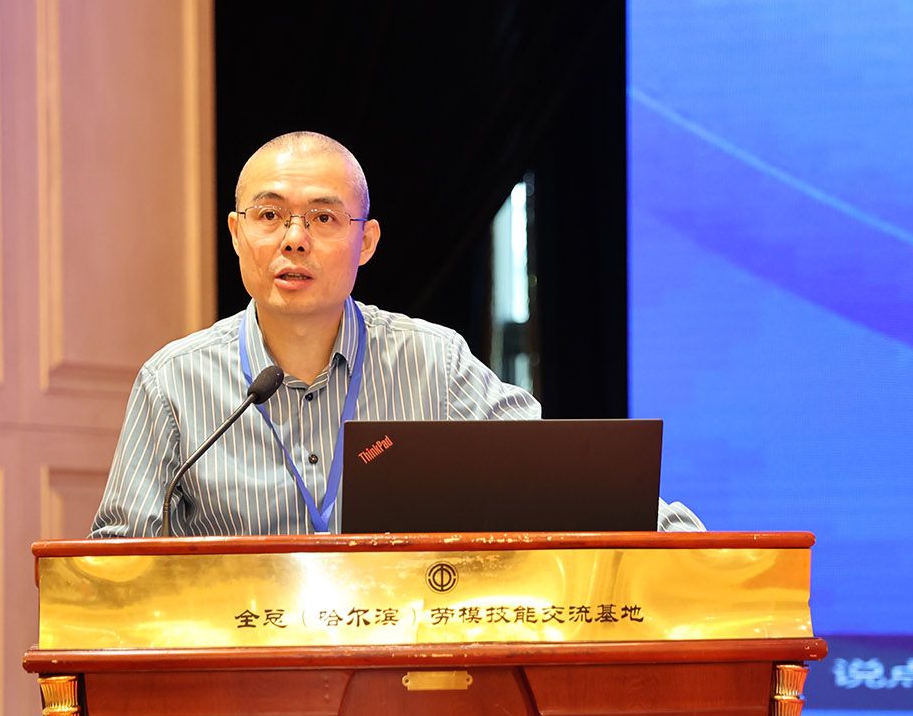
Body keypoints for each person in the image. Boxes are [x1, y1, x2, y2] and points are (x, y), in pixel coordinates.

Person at [90, 131, 701, 537]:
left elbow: (556, 476)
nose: (294, 239)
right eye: (270, 215)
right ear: (235, 233)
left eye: (324, 217)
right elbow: (114, 563)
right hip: (241, 678)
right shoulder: (174, 381)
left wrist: (690, 545)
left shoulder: (434, 362)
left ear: (367, 242)